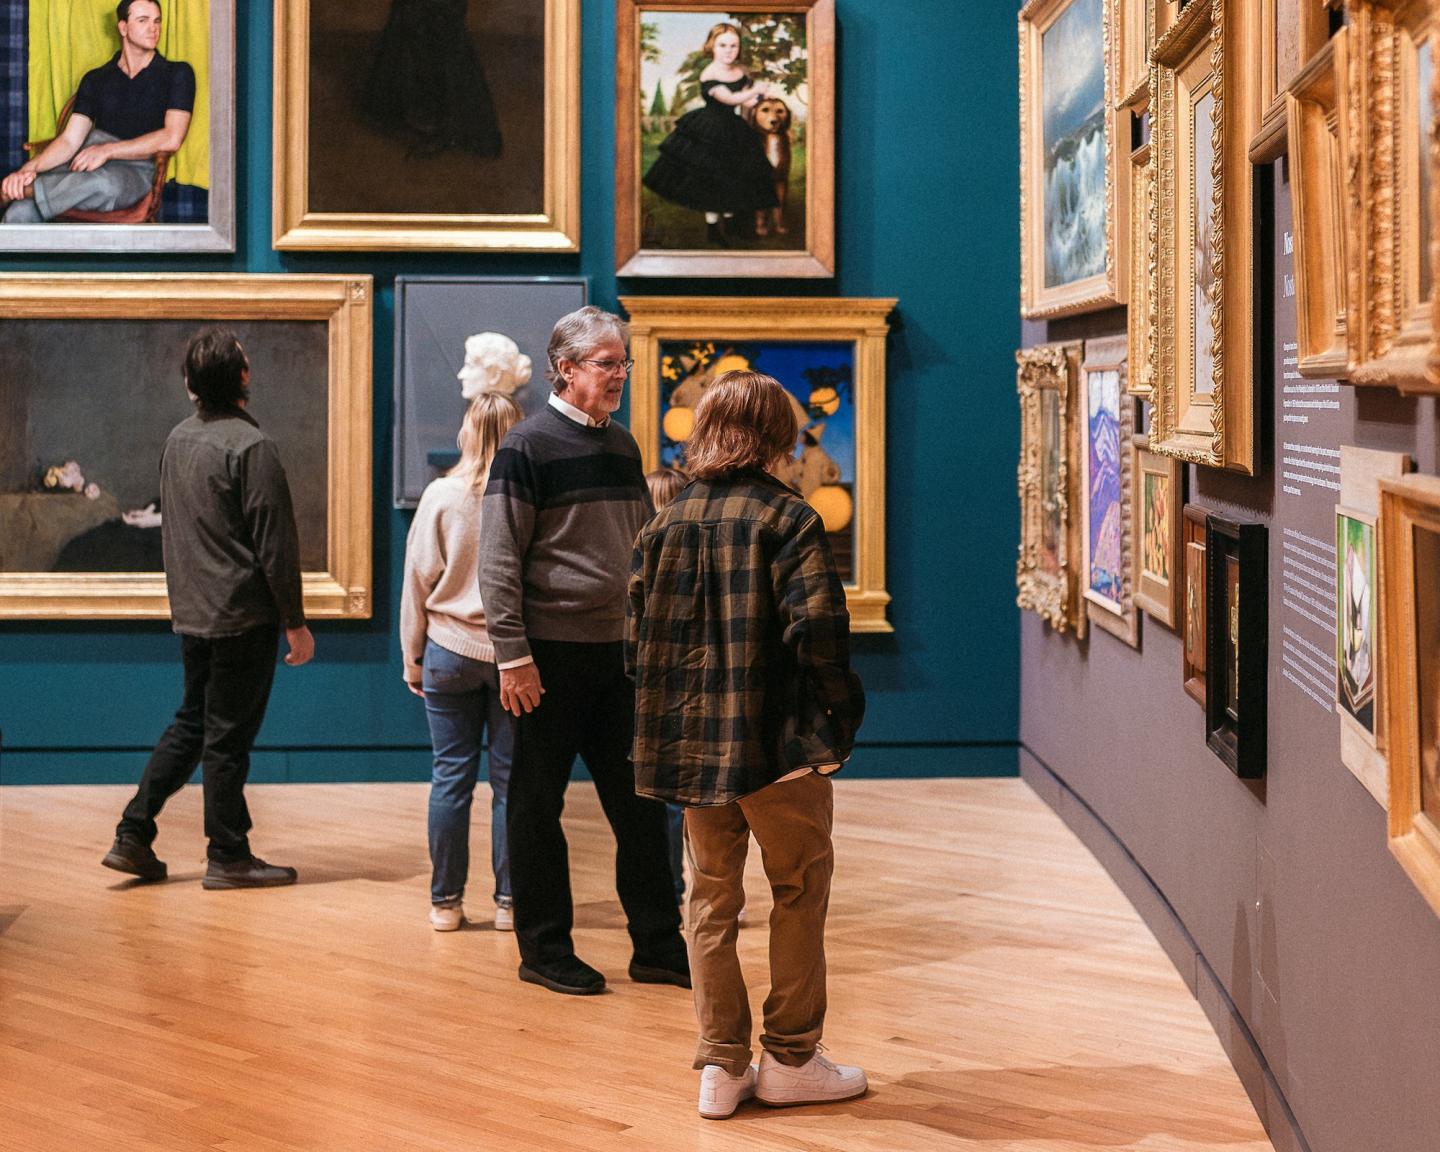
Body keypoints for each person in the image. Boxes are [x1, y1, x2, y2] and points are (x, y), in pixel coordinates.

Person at [627, 371, 867, 1119]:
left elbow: (636, 647)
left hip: (694, 748)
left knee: (708, 899)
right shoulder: (788, 517)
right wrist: (839, 717)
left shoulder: (661, 525)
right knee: (798, 890)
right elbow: (819, 632)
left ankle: (721, 1066)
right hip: (776, 745)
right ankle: (791, 1057)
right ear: (774, 434)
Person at [479, 305, 689, 996]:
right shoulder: (527, 447)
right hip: (547, 656)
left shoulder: (622, 445)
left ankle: (658, 946)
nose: (620, 374)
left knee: (640, 805)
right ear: (565, 370)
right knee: (537, 807)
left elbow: (638, 541)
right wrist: (512, 654)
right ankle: (543, 950)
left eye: (622, 362)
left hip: (617, 655)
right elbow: (499, 559)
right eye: (607, 363)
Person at [102, 328, 314, 890]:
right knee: (225, 739)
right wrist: (295, 621)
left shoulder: (178, 440)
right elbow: (275, 543)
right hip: (241, 616)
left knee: (193, 724)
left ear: (191, 384)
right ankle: (228, 854)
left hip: (194, 614)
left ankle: (133, 834)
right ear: (242, 378)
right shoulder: (252, 448)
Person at [401, 384, 524, 933]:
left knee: (449, 780)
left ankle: (445, 903)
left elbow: (416, 581)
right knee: (510, 785)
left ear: (468, 431)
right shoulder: (525, 495)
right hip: (511, 658)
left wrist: (412, 657)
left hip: (448, 650)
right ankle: (509, 903)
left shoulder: (441, 496)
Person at [1, 0, 194, 224]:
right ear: (123, 27)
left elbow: (172, 138)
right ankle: (20, 190)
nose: (154, 28)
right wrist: (26, 170)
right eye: (143, 21)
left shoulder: (177, 73)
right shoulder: (97, 78)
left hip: (136, 169)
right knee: (19, 213)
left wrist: (107, 151)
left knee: (105, 185)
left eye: (157, 21)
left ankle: (26, 191)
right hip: (83, 161)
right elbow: (70, 141)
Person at [642, 22, 778, 247]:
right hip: (710, 129)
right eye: (723, 45)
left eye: (733, 46)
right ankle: (713, 230)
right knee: (712, 180)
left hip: (734, 129)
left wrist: (760, 97)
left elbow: (747, 99)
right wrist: (755, 90)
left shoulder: (740, 71)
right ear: (711, 46)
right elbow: (729, 98)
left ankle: (732, 223)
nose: (729, 50)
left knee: (734, 177)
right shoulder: (710, 73)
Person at [642, 465, 691, 908]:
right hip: (689, 686)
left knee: (652, 798)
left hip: (647, 689)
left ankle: (664, 888)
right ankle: (691, 887)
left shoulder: (636, 556)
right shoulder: (692, 557)